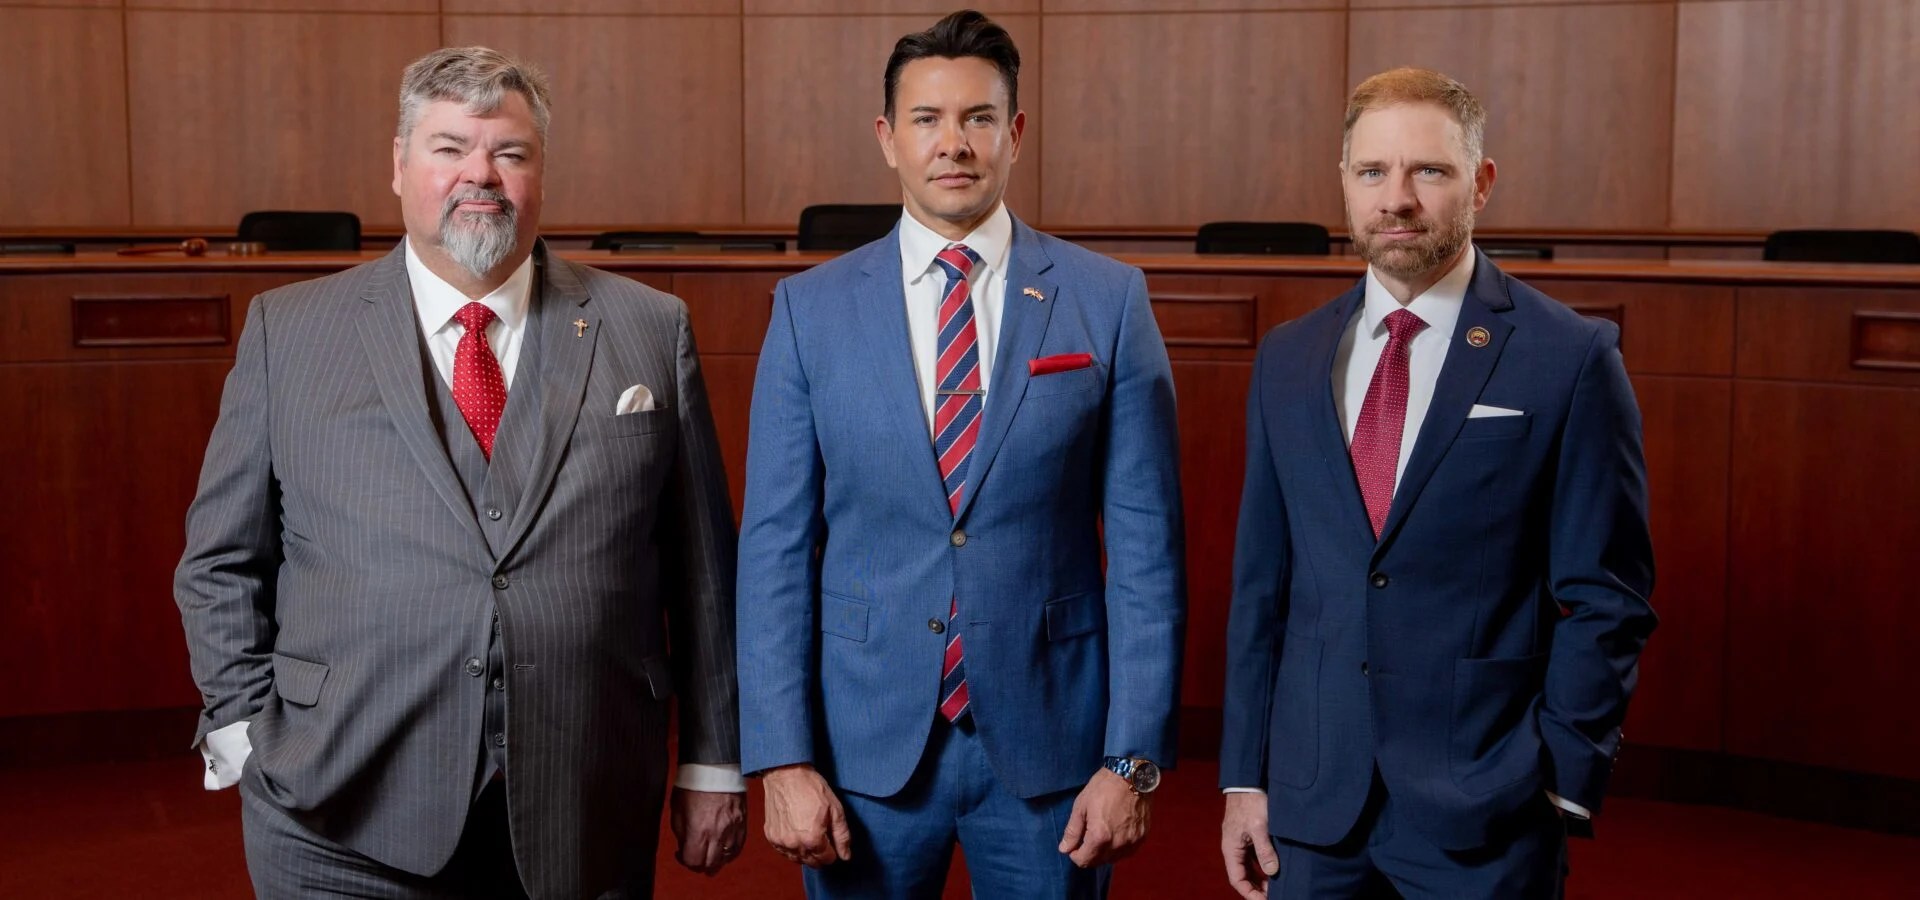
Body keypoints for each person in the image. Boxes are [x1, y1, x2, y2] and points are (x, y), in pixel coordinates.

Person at [174, 46, 745, 898]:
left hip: (583, 807)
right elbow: (220, 561)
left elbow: (700, 575)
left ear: (541, 171)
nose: (480, 174)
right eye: (448, 148)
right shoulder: (287, 333)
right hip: (334, 813)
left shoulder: (649, 329)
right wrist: (247, 732)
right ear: (398, 166)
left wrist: (711, 759)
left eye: (509, 152)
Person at [735, 10, 1186, 898]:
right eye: (927, 120)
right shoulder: (807, 311)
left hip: (1054, 749)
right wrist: (781, 758)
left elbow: (1147, 553)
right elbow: (775, 550)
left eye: (979, 118)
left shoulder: (1109, 301)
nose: (955, 144)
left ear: (1014, 134)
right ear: (887, 139)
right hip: (864, 747)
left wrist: (1131, 761)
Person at [1218, 67, 1657, 899]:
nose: (1398, 199)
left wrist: (1559, 773)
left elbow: (1610, 596)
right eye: (1374, 172)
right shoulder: (1288, 358)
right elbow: (1261, 590)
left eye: (1430, 170)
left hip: (1486, 806)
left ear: (1481, 184)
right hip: (1312, 810)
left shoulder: (1569, 358)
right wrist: (1244, 774)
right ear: (1344, 184)